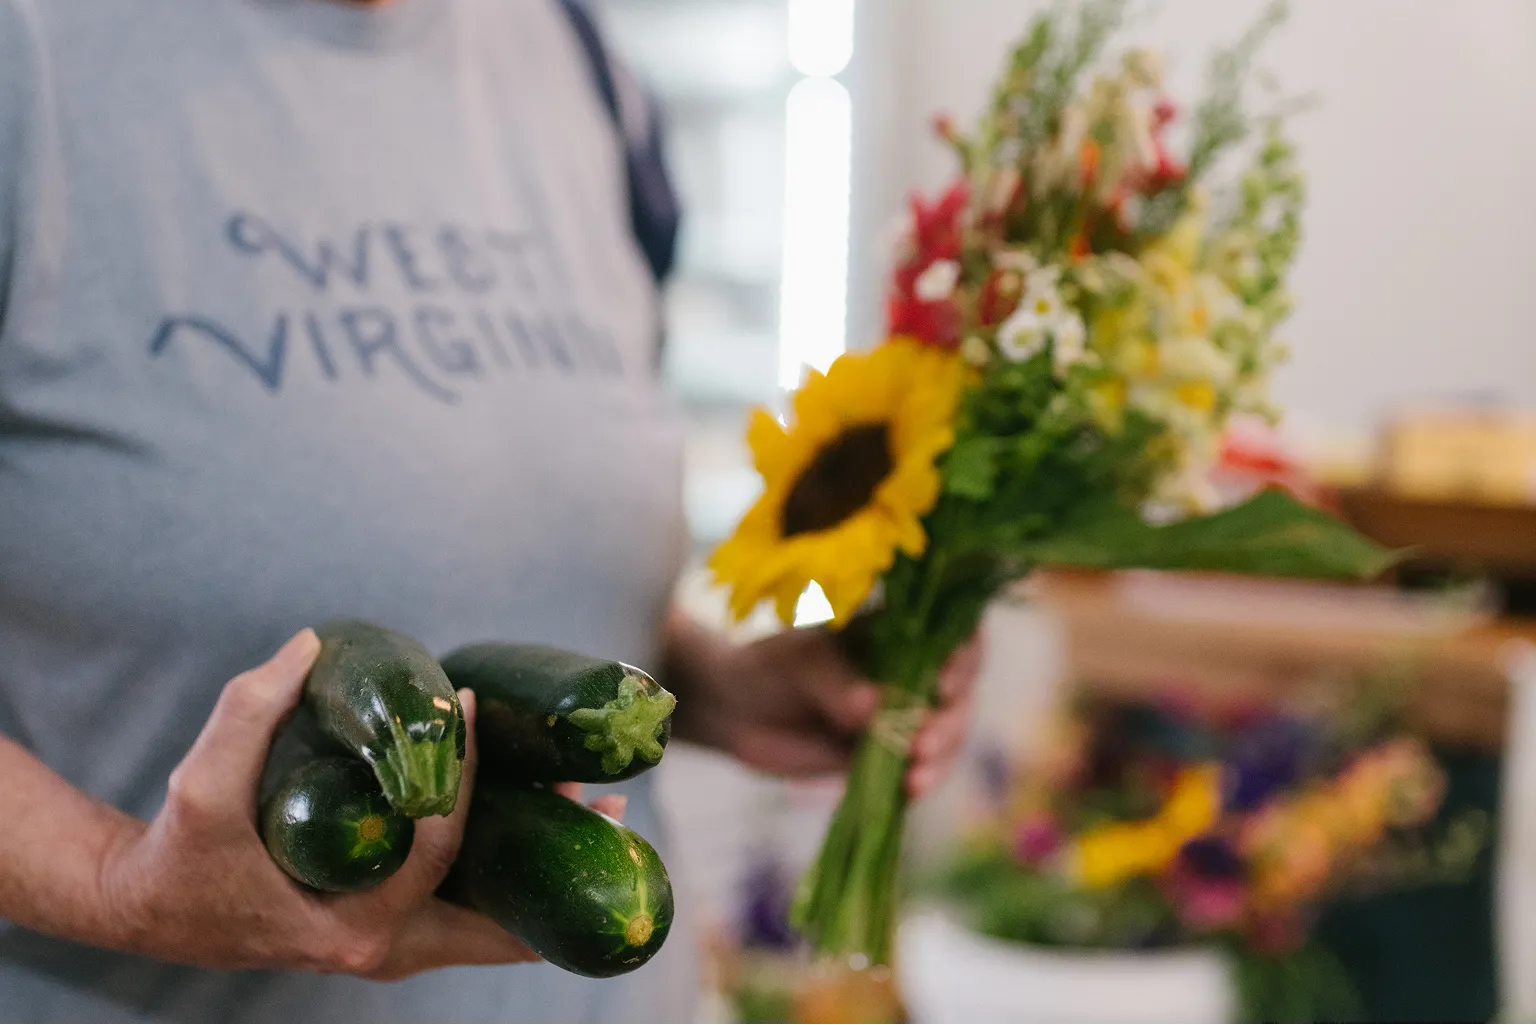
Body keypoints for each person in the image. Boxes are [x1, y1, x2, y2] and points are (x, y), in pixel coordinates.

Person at [0, 2, 979, 1022]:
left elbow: (509, 541)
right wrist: (119, 879)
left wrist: (712, 684)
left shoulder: (579, 62)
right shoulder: (32, 55)